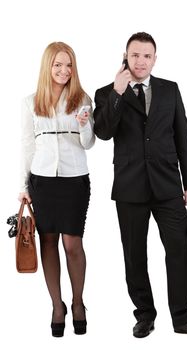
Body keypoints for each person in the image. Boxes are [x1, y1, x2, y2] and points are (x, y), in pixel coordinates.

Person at [93, 32, 187, 338]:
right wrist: (119, 93)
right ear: (125, 56)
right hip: (130, 187)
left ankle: (183, 317)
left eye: (147, 56)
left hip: (168, 185)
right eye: (135, 55)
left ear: (154, 59)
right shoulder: (107, 93)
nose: (141, 61)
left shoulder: (170, 90)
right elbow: (104, 132)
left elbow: (182, 137)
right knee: (134, 256)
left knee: (179, 250)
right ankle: (145, 315)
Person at [18, 42, 95, 337]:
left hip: (75, 179)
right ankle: (57, 306)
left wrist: (84, 124)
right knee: (48, 242)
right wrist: (22, 186)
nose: (64, 71)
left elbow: (88, 143)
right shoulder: (30, 101)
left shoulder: (82, 98)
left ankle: (77, 302)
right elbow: (26, 145)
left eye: (69, 65)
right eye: (58, 65)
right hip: (42, 181)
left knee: (72, 244)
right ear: (47, 67)